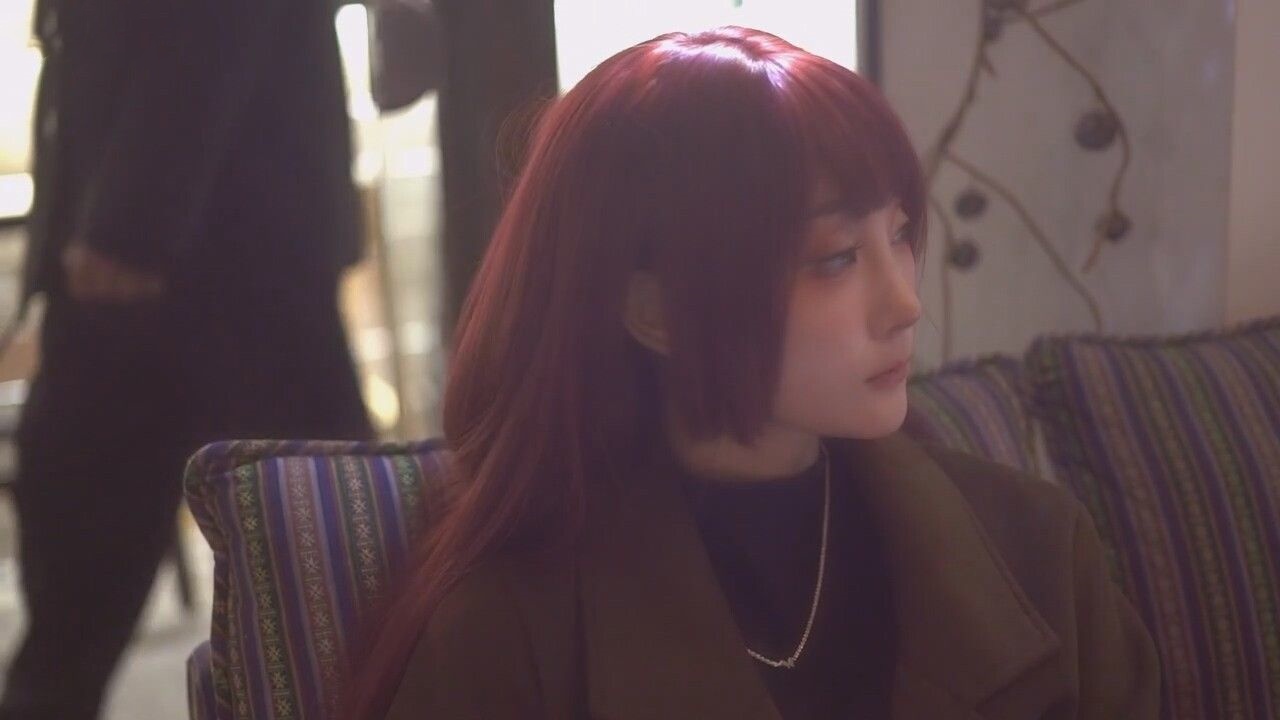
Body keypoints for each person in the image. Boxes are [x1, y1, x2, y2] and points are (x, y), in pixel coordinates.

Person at [345, 27, 1161, 719]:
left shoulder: (1037, 555)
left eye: (900, 235)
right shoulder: (507, 631)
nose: (905, 303)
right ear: (655, 310)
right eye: (835, 258)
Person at [1, 0, 373, 717]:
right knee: (325, 581)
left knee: (324, 580)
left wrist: (129, 226)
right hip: (215, 246)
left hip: (204, 257)